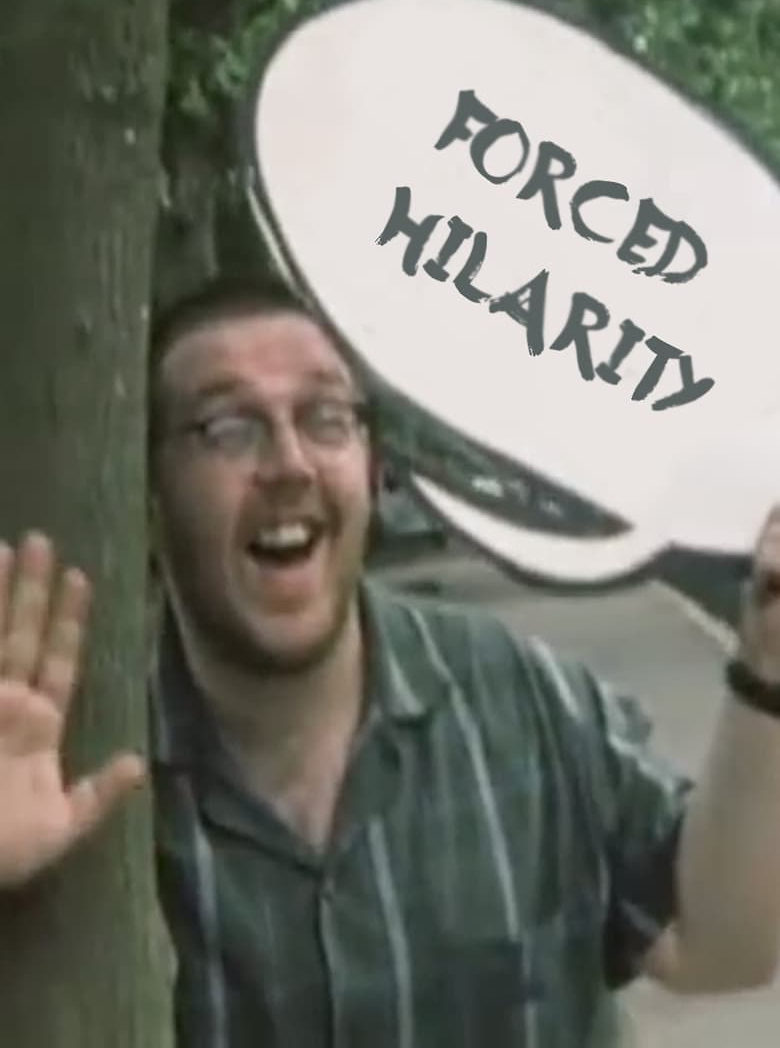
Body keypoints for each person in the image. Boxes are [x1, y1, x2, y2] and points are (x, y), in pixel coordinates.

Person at [1, 272, 779, 1048]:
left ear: (374, 471)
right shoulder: (81, 773)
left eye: (327, 418)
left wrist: (768, 672)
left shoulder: (525, 701)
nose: (290, 462)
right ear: (152, 493)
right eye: (229, 428)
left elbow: (722, 943)